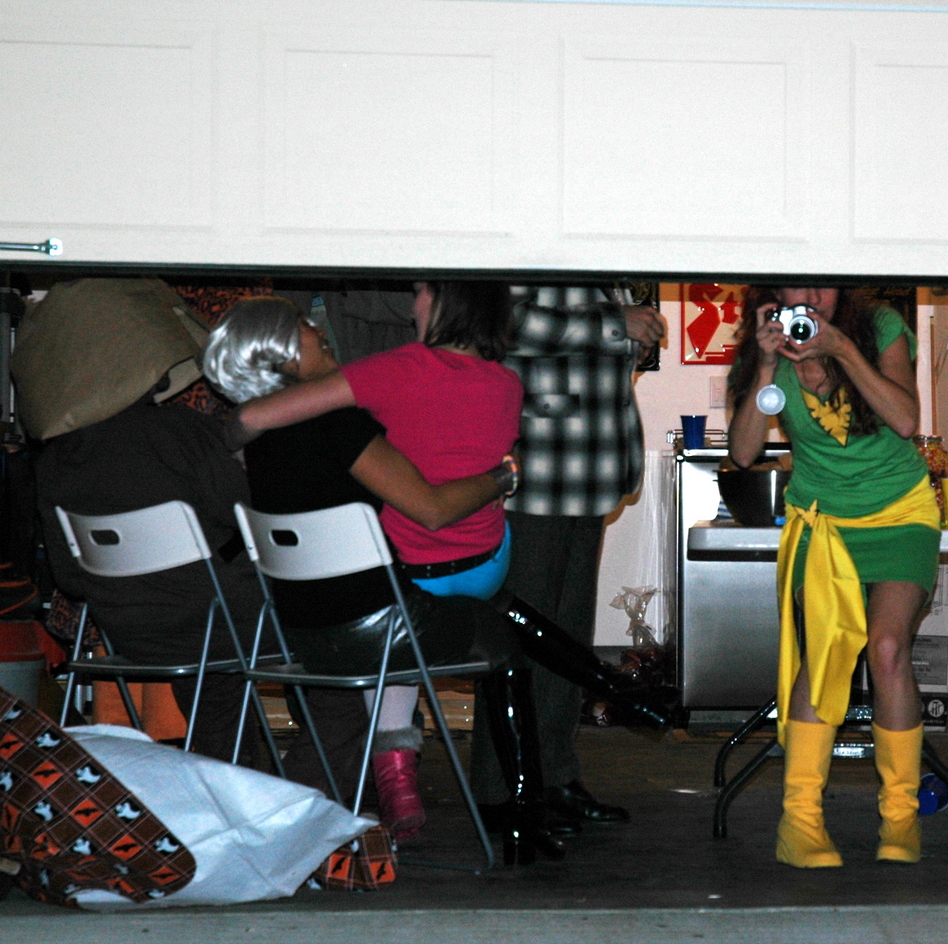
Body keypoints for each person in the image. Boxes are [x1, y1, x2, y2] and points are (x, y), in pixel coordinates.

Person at [228, 285, 670, 859]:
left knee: (446, 608)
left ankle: (411, 772)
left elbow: (249, 419)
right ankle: (587, 718)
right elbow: (436, 507)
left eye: (420, 292)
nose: (409, 302)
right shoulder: (503, 384)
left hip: (355, 600)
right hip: (461, 575)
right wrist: (503, 479)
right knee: (509, 634)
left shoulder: (385, 376)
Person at [26, 283, 367, 795]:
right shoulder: (178, 432)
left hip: (134, 633)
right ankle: (300, 799)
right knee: (341, 659)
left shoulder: (54, 461)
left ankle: (231, 798)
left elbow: (71, 578)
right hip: (223, 624)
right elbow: (254, 520)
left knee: (216, 684)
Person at [727, 286, 939, 868]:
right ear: (776, 293)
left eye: (823, 283)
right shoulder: (768, 347)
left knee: (888, 647)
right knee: (825, 654)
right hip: (822, 522)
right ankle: (800, 823)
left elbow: (905, 419)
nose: (811, 297)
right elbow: (743, 452)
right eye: (798, 286)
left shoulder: (880, 327)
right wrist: (764, 365)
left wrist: (843, 348)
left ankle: (901, 817)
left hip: (900, 513)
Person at [467, 285, 667, 830]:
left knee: (568, 642)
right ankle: (501, 789)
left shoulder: (601, 262)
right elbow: (503, 321)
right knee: (518, 639)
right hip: (537, 470)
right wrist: (616, 323)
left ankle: (553, 777)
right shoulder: (534, 246)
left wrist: (633, 337)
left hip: (588, 467)